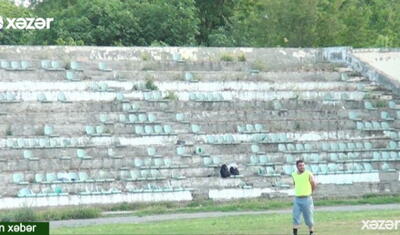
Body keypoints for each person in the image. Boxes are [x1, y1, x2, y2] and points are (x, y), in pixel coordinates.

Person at [292, 160, 317, 235]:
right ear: (297, 166)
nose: (302, 167)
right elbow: (295, 184)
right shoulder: (293, 174)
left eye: (303, 165)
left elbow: (313, 183)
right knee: (295, 216)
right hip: (297, 199)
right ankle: (294, 233)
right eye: (300, 165)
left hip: (307, 199)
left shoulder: (308, 174)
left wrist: (310, 192)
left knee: (308, 217)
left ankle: (311, 232)